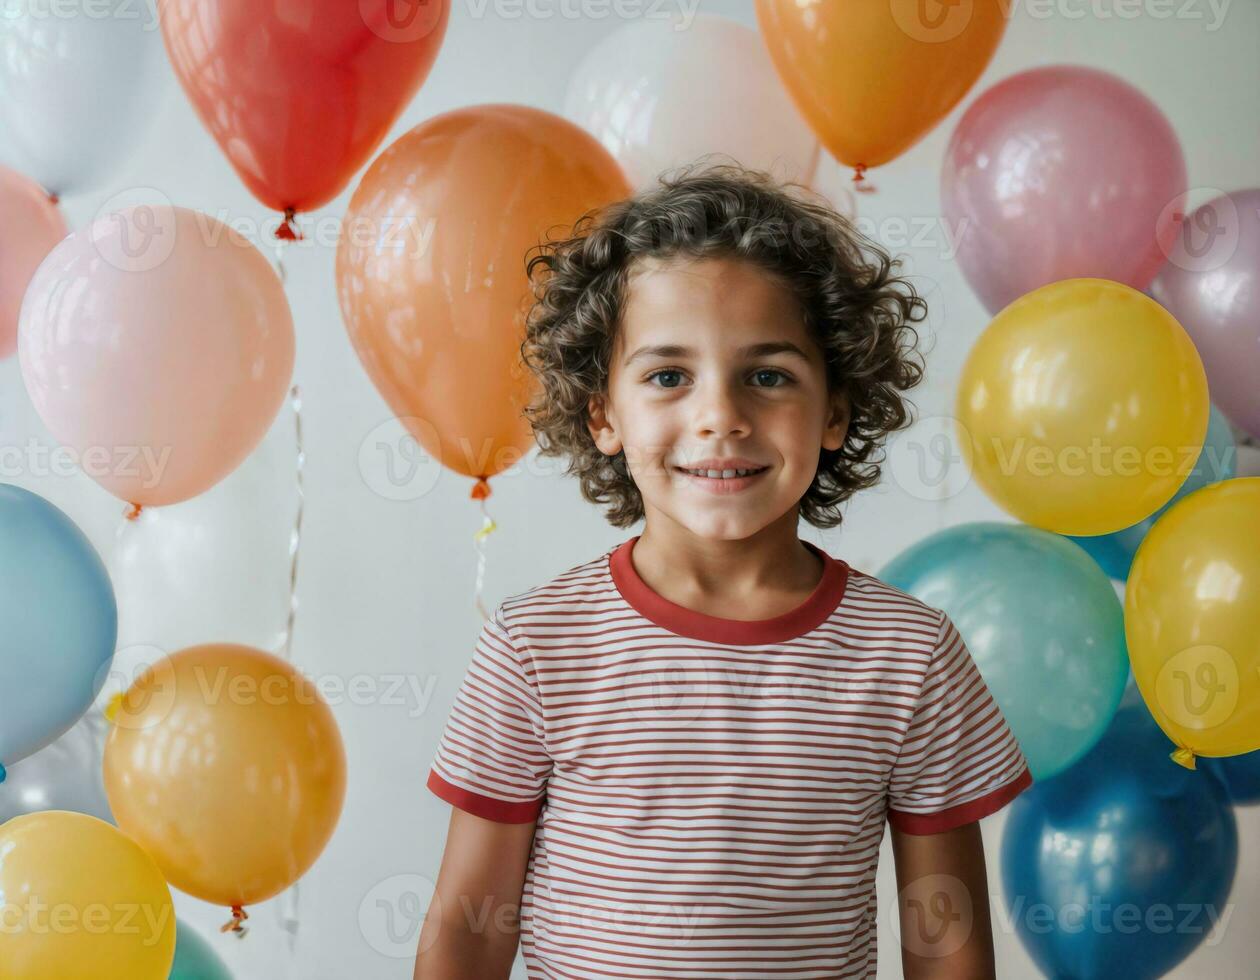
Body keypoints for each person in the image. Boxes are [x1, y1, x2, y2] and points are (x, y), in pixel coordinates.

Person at [414, 162, 1032, 980]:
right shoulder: (536, 646)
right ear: (603, 413)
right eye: (669, 377)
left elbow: (945, 943)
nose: (721, 419)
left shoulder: (909, 654)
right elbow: (470, 930)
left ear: (836, 410)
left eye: (768, 376)